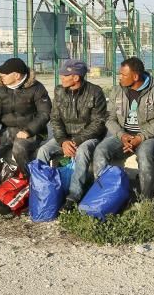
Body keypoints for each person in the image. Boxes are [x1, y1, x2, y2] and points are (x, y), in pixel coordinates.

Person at [92, 57, 154, 199]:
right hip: (123, 136)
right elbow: (109, 119)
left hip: (151, 137)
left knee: (144, 154)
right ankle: (103, 197)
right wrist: (122, 135)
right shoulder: (117, 90)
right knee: (101, 150)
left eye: (123, 75)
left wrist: (140, 138)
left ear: (135, 76)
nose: (120, 77)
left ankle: (146, 201)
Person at [36, 59, 108, 205]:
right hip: (65, 137)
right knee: (43, 151)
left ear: (76, 77)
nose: (61, 78)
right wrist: (63, 141)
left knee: (82, 151)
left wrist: (75, 142)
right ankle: (40, 190)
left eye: (64, 76)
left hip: (88, 137)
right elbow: (55, 119)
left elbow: (98, 124)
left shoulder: (95, 92)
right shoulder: (59, 91)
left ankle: (73, 196)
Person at [0, 57, 51, 174]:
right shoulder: (0, 89)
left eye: (5, 73)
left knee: (19, 148)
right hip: (8, 130)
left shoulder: (37, 88)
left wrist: (28, 131)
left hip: (33, 131)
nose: (1, 76)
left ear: (16, 75)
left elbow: (45, 113)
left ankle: (29, 178)